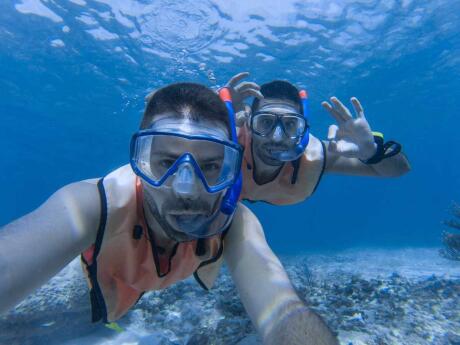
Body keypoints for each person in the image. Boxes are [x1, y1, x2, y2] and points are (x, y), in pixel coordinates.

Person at [0, 83, 338, 345]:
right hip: (78, 293)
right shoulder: (91, 206)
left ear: (231, 170)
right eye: (165, 163)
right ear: (139, 162)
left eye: (211, 166)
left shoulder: (233, 223)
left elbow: (281, 308)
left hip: (124, 299)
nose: (186, 189)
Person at [226, 73, 411, 204]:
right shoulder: (229, 140)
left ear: (303, 128)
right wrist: (217, 116)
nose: (277, 137)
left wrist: (372, 152)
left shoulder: (315, 156)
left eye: (290, 124)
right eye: (265, 122)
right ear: (249, 124)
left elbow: (399, 169)